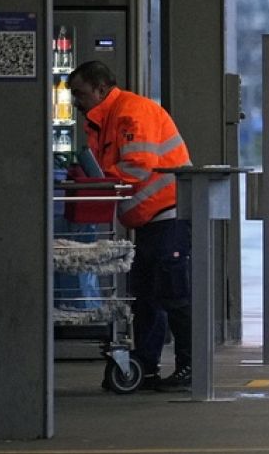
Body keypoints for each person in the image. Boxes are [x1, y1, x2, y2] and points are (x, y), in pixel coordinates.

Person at [68, 60, 194, 391]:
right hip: (151, 219)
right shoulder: (102, 121)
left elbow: (138, 167)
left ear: (100, 88)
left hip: (169, 213)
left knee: (173, 293)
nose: (76, 102)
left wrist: (98, 184)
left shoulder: (131, 113)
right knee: (148, 296)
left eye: (80, 94)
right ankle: (146, 367)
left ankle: (191, 366)